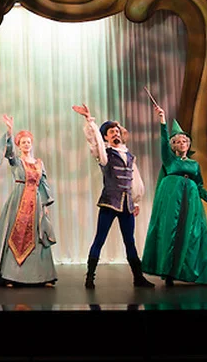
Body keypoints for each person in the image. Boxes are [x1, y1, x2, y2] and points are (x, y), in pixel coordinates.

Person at [141, 105, 207, 286]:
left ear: (189, 145)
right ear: (173, 145)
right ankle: (168, 272)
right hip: (173, 199)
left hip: (191, 200)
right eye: (178, 142)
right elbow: (163, 141)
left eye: (184, 141)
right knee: (171, 231)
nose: (182, 144)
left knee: (191, 233)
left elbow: (199, 184)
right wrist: (162, 120)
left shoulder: (194, 165)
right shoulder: (170, 160)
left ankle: (187, 270)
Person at [0, 114, 57, 287]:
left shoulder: (39, 163)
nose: (26, 144)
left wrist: (45, 204)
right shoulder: (17, 161)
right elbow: (8, 152)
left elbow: (43, 183)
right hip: (19, 199)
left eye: (28, 142)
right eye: (23, 142)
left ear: (32, 144)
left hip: (36, 201)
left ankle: (43, 276)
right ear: (19, 145)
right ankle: (10, 275)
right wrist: (9, 131)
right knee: (14, 234)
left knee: (37, 236)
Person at [72, 104, 154, 289]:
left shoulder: (129, 155)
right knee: (100, 239)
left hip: (127, 205)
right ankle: (90, 277)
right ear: (106, 137)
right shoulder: (105, 154)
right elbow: (95, 142)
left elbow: (135, 179)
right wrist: (89, 120)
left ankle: (138, 277)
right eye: (111, 132)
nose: (115, 133)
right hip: (110, 202)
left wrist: (136, 201)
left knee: (130, 241)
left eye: (117, 131)